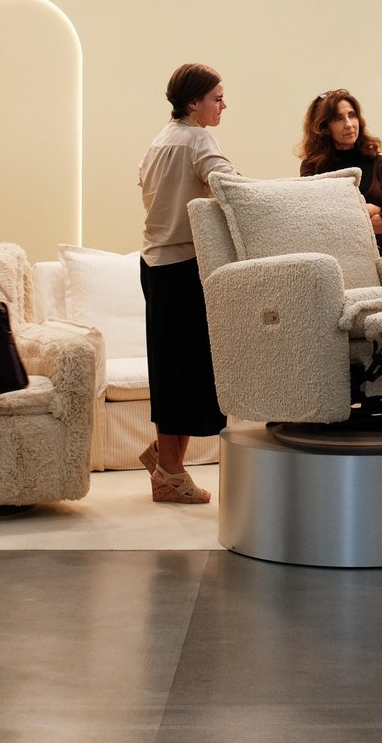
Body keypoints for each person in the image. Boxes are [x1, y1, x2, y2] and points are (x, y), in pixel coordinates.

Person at [138, 63, 235, 504]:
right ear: (194, 101)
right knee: (187, 371)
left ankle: (166, 461)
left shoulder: (159, 141)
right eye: (217, 97)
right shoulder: (198, 140)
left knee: (171, 367)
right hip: (184, 266)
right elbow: (231, 188)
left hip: (155, 264)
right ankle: (170, 473)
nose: (223, 104)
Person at [298, 90, 382, 256]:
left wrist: (345, 218)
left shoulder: (381, 163)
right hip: (334, 256)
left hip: (376, 254)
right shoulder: (312, 167)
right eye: (338, 118)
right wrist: (370, 209)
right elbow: (320, 222)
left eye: (352, 115)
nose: (348, 124)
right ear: (325, 127)